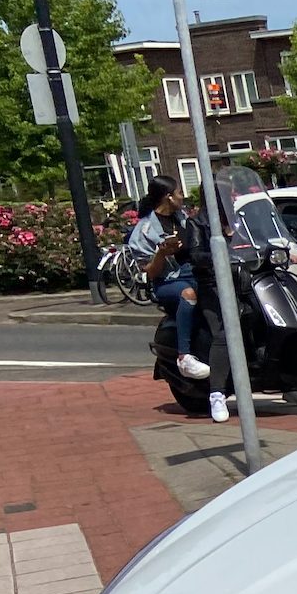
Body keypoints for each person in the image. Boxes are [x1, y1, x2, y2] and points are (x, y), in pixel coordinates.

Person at [127, 176, 225, 422]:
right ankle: (185, 357)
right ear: (168, 196)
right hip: (168, 283)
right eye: (179, 192)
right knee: (188, 294)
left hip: (195, 275)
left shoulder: (183, 218)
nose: (183, 196)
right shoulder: (145, 231)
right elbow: (148, 272)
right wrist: (162, 252)